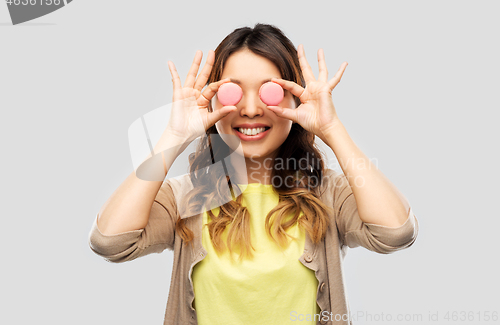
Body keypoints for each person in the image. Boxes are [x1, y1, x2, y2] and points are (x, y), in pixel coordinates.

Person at [88, 23, 419, 325]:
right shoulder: (192, 196)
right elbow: (110, 241)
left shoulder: (324, 194)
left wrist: (332, 129)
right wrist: (173, 137)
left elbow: (395, 232)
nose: (249, 109)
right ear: (213, 101)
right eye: (233, 91)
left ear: (295, 97)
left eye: (268, 92)